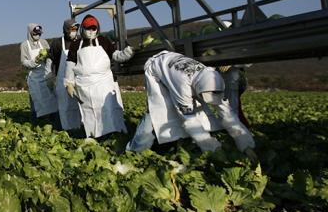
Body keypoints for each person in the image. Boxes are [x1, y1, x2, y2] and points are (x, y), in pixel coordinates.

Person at [126, 51, 256, 157]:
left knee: (199, 112)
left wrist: (246, 144)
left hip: (184, 73)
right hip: (157, 69)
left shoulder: (214, 80)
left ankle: (185, 144)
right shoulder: (182, 84)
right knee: (158, 112)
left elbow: (228, 115)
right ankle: (135, 150)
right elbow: (188, 120)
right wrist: (212, 148)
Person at [64, 15, 134, 138]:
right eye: (88, 28)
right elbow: (70, 65)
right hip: (85, 86)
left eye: (93, 28)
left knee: (109, 108)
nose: (91, 31)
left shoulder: (103, 41)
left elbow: (116, 56)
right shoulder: (76, 45)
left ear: (97, 28)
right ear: (83, 29)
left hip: (104, 83)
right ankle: (95, 135)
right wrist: (69, 82)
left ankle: (114, 132)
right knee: (90, 111)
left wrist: (127, 54)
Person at [48, 19, 83, 131]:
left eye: (76, 29)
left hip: (77, 79)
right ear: (66, 29)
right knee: (64, 106)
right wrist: (49, 76)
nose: (74, 31)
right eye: (72, 29)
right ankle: (65, 129)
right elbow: (50, 60)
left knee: (79, 106)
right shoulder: (57, 43)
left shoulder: (81, 41)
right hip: (61, 79)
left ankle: (79, 128)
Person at [19, 23, 57, 122]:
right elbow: (24, 62)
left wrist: (46, 57)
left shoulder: (43, 42)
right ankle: (35, 121)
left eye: (39, 34)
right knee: (36, 100)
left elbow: (50, 55)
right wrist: (35, 61)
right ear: (30, 33)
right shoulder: (24, 45)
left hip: (45, 74)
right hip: (34, 76)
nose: (37, 35)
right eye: (35, 33)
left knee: (51, 99)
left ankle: (52, 121)